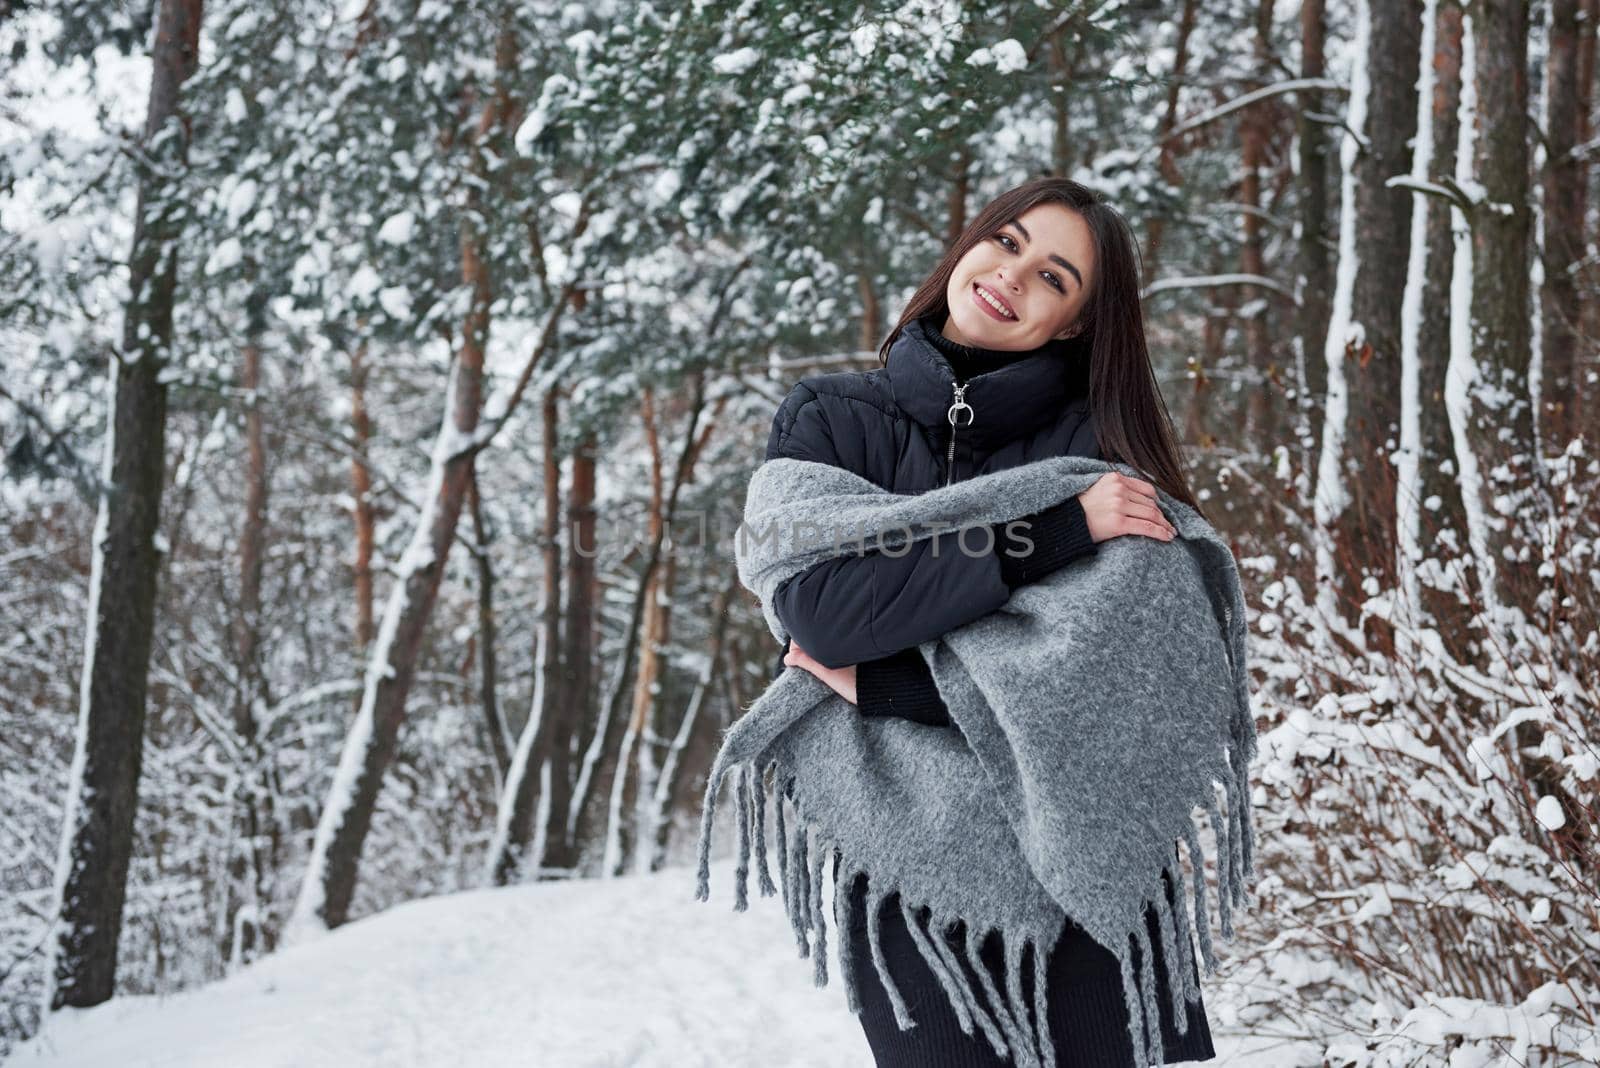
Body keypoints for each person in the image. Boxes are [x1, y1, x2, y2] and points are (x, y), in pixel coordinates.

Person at [761, 176, 1217, 1066]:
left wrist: (882, 682)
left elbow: (1106, 691)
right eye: (1007, 242)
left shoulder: (1103, 454)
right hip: (909, 866)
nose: (1012, 276)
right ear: (967, 245)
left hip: (1094, 856)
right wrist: (1052, 534)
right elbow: (822, 614)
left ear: (1077, 323)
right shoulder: (829, 419)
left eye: (1055, 277)